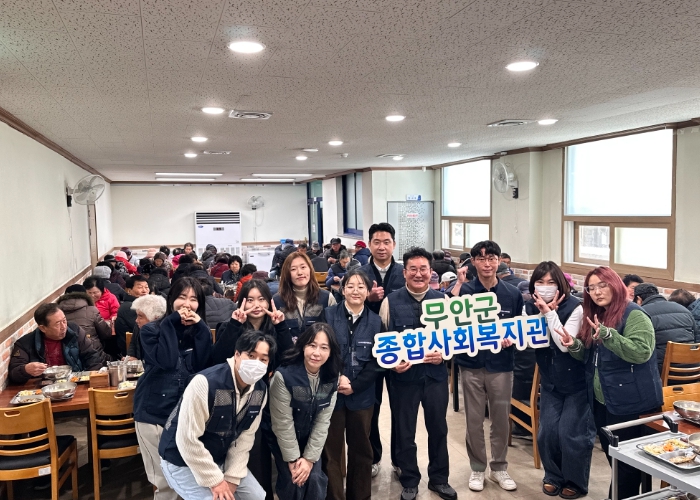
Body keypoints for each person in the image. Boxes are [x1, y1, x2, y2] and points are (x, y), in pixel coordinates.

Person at [558, 267, 663, 500]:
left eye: (602, 285)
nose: (597, 292)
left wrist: (608, 335)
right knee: (615, 459)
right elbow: (590, 357)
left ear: (615, 285)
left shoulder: (634, 314)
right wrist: (573, 345)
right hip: (603, 400)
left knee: (627, 465)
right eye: (591, 288)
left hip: (631, 402)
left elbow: (641, 352)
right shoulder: (598, 314)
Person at [159, 330, 274, 500]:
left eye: (263, 359)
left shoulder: (260, 391)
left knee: (257, 496)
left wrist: (232, 477)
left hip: (219, 458)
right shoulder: (206, 383)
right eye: (251, 355)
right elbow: (187, 440)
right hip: (181, 460)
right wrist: (216, 481)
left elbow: (245, 437)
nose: (256, 363)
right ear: (237, 354)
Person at [379, 247, 456, 500]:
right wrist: (392, 364)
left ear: (431, 272)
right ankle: (409, 479)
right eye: (413, 269)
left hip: (435, 378)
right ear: (405, 273)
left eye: (423, 269)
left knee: (438, 428)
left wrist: (445, 355)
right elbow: (382, 341)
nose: (418, 274)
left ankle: (439, 479)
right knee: (404, 431)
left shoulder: (444, 301)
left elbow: (454, 340)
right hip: (403, 379)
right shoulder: (390, 302)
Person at [450, 240, 522, 492]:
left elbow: (519, 328)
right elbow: (448, 320)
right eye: (481, 258)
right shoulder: (465, 291)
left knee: (501, 419)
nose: (487, 263)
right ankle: (478, 467)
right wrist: (457, 283)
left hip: (501, 365)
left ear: (499, 260)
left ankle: (499, 467)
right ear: (473, 262)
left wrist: (512, 338)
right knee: (473, 420)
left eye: (492, 258)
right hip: (471, 364)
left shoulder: (512, 294)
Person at [211, 279, 293, 499]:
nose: (256, 305)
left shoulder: (274, 328)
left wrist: (281, 326)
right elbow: (217, 360)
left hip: (268, 399)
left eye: (261, 299)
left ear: (269, 301)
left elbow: (290, 360)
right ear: (241, 302)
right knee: (243, 451)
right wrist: (235, 324)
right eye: (250, 300)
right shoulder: (230, 326)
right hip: (236, 400)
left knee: (266, 451)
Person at [134, 277, 212, 500]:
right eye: (182, 297)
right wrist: (169, 323)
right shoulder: (150, 330)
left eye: (193, 299)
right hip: (153, 414)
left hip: (184, 417)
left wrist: (202, 328)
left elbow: (203, 367)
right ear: (171, 300)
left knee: (188, 479)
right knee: (165, 483)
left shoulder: (198, 332)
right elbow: (167, 361)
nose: (187, 304)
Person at [524, 262, 595, 499]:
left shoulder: (576, 307)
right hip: (551, 381)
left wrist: (550, 313)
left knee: (571, 434)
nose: (545, 287)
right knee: (547, 433)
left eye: (551, 282)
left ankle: (575, 481)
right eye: (540, 282)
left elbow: (564, 344)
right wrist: (541, 314)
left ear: (561, 284)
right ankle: (553, 476)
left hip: (577, 383)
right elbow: (532, 338)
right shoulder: (528, 306)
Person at [321, 269, 382, 500]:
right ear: (342, 289)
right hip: (331, 394)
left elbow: (378, 362)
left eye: (361, 286)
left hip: (362, 397)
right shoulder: (328, 315)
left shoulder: (376, 322)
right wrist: (337, 377)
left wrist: (355, 385)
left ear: (368, 291)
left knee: (362, 451)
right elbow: (320, 350)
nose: (355, 291)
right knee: (331, 452)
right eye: (350, 286)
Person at [269, 323, 342, 500]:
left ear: (331, 352)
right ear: (302, 346)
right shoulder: (284, 376)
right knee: (294, 480)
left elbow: (323, 421)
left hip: (310, 437)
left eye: (324, 348)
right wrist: (293, 459)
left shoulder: (332, 377)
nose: (316, 353)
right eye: (312, 345)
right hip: (283, 437)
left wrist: (309, 459)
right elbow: (282, 424)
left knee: (315, 479)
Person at [358, 222, 405, 476]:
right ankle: (373, 457)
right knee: (371, 406)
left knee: (400, 407)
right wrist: (367, 298)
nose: (382, 247)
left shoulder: (404, 272)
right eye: (376, 242)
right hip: (369, 350)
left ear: (394, 245)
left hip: (400, 350)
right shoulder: (359, 274)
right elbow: (346, 305)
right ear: (369, 245)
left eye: (386, 242)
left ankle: (400, 460)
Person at [9, 303, 103, 384]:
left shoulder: (74, 331)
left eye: (64, 321)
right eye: (58, 323)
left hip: (75, 382)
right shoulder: (25, 343)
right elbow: (13, 374)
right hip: (44, 389)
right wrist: (25, 370)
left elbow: (92, 357)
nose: (63, 327)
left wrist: (90, 381)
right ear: (43, 328)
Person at [633, 283, 699, 374]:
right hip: (693, 370)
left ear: (639, 299)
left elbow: (639, 348)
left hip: (663, 372)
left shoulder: (642, 313)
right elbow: (696, 339)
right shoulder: (685, 310)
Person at [273, 253, 336, 342]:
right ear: (287, 274)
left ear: (310, 269)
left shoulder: (327, 298)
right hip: (288, 350)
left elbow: (335, 332)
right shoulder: (277, 301)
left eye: (303, 267)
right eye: (293, 269)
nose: (300, 273)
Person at [56, 284, 113, 364]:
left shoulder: (57, 313)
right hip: (95, 356)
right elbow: (106, 334)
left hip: (68, 359)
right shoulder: (92, 310)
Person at [115, 275, 150, 357]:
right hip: (132, 352)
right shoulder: (130, 307)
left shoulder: (138, 304)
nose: (144, 290)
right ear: (129, 290)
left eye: (146, 287)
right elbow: (145, 328)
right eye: (140, 287)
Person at [127, 294, 167, 361]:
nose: (136, 320)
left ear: (155, 318)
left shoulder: (165, 334)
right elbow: (133, 343)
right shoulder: (138, 327)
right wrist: (131, 356)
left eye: (140, 316)